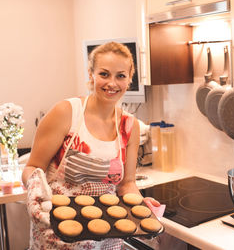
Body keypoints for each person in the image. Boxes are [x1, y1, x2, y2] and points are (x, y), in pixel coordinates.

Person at [22, 41, 161, 250]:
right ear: (91, 74)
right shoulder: (66, 113)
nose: (112, 83)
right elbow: (32, 167)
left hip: (108, 234)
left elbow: (127, 184)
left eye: (120, 76)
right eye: (104, 74)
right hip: (57, 229)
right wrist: (36, 192)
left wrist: (140, 205)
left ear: (129, 78)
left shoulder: (129, 126)